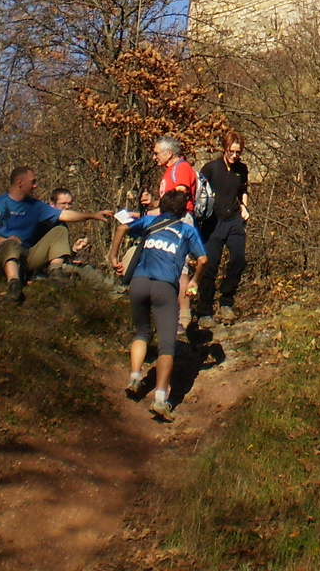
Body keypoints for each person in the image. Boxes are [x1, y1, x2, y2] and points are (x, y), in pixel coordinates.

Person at [119, 188, 206, 422]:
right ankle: (159, 398)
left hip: (138, 282)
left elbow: (122, 226)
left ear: (163, 206)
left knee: (141, 332)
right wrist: (195, 280)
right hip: (165, 287)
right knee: (167, 343)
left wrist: (113, 257)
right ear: (183, 210)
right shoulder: (186, 230)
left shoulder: (149, 221)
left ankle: (135, 377)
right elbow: (203, 259)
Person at [0, 166, 112, 304]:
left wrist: (92, 215)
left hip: (27, 255)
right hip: (2, 255)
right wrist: (3, 240)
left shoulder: (36, 206)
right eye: (33, 182)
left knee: (60, 229)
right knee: (12, 244)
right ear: (20, 182)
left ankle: (56, 273)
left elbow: (64, 215)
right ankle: (14, 284)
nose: (35, 186)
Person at [194, 132, 251, 325]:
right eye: (231, 151)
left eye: (238, 152)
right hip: (213, 221)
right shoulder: (210, 168)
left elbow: (243, 190)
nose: (235, 155)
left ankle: (226, 301)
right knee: (210, 265)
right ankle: (204, 311)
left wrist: (244, 208)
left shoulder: (242, 169)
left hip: (234, 219)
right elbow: (199, 194)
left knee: (239, 259)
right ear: (224, 149)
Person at [151, 136, 200, 330]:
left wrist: (160, 211)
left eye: (157, 153)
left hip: (179, 221)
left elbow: (180, 197)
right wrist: (153, 205)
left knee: (180, 269)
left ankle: (184, 317)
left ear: (168, 153)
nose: (154, 157)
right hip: (170, 219)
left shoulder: (181, 168)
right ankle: (170, 315)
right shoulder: (169, 171)